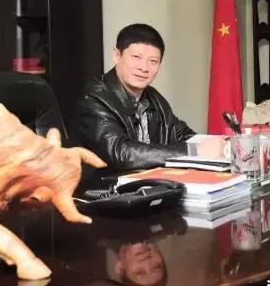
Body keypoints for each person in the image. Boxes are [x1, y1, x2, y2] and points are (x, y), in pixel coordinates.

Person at [72, 23, 226, 178]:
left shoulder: (153, 97)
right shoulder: (94, 97)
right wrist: (193, 151)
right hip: (105, 189)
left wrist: (225, 144)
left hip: (149, 185)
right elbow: (121, 153)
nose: (144, 68)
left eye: (153, 61)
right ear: (117, 56)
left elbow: (180, 134)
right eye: (136, 57)